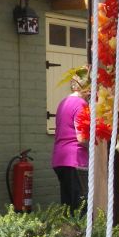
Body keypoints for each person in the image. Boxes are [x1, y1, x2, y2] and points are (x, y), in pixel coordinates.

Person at [52, 79, 87, 208]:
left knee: (67, 206)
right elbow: (81, 138)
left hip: (60, 158)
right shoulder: (81, 104)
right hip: (75, 159)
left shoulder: (63, 103)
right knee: (80, 206)